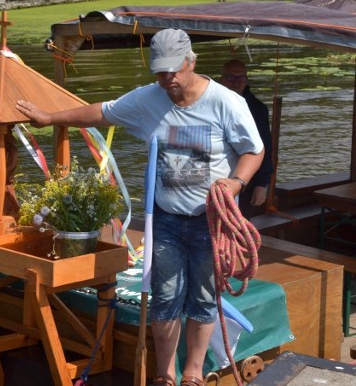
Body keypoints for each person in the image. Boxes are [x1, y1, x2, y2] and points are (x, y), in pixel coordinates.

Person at [16, 29, 264, 386]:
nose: (168, 79)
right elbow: (102, 113)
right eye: (160, 72)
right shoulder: (149, 98)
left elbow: (254, 151)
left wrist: (236, 182)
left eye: (174, 71)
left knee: (204, 297)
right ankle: (166, 374)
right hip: (164, 218)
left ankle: (193, 372)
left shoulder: (226, 102)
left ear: (191, 62)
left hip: (210, 221)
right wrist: (50, 117)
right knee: (164, 297)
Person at [221, 59, 274, 218]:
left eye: (240, 78)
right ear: (222, 79)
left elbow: (264, 148)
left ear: (246, 80)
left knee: (240, 224)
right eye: (231, 77)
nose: (236, 82)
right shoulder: (210, 104)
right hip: (218, 175)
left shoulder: (258, 109)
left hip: (246, 179)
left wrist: (261, 184)